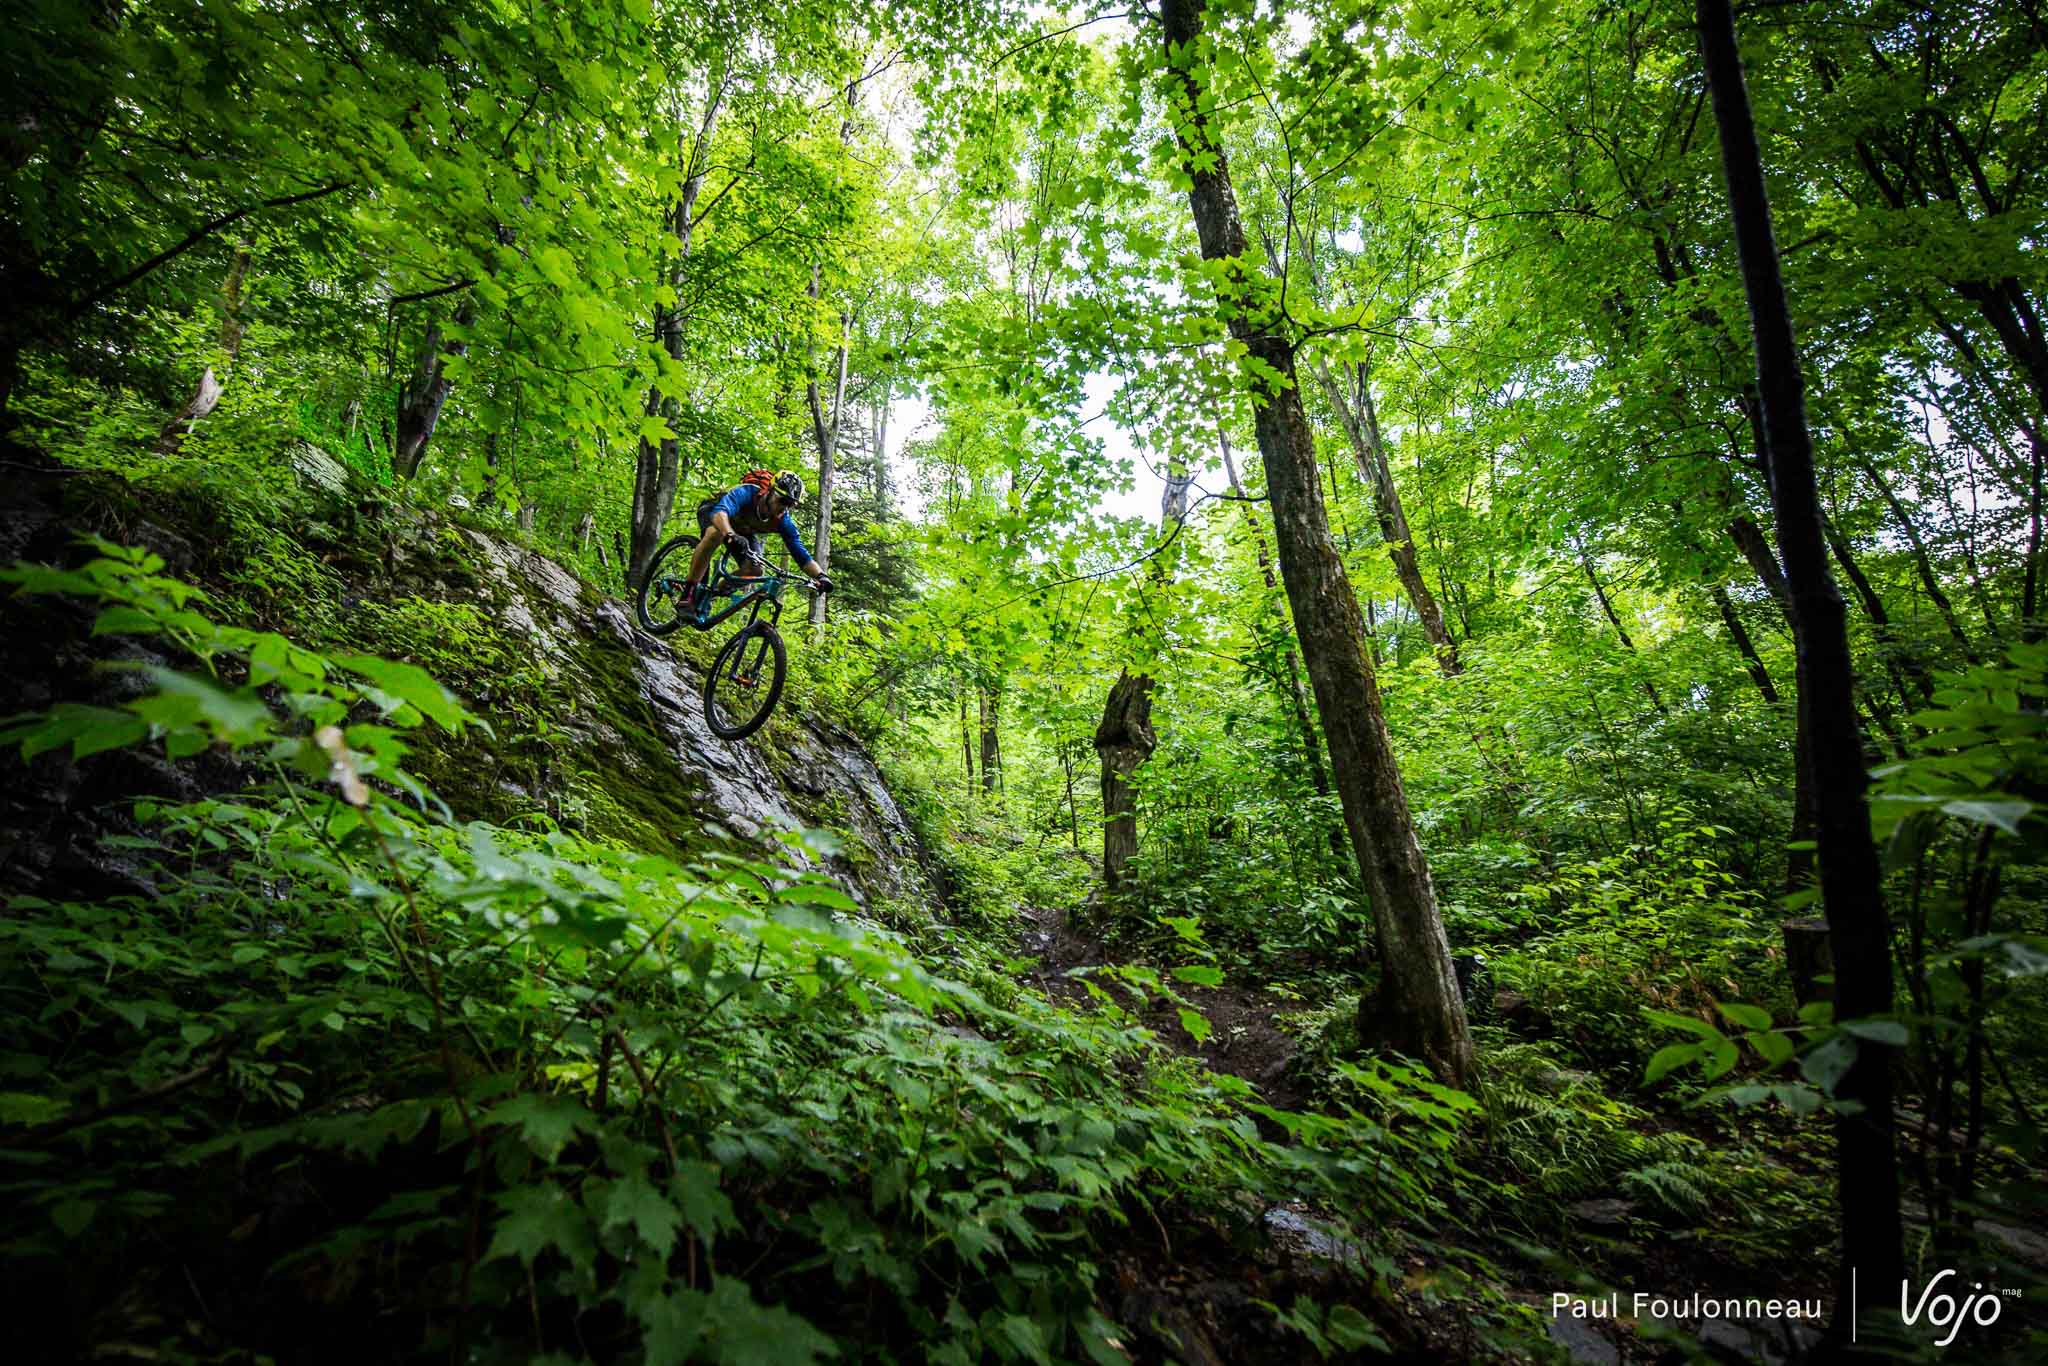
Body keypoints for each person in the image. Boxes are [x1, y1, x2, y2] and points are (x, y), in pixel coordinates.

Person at [681, 469, 832, 620]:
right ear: (770, 491)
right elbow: (719, 513)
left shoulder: (783, 521)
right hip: (715, 510)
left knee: (755, 569)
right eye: (783, 501)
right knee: (715, 534)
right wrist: (730, 534)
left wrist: (821, 576)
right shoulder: (748, 493)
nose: (784, 508)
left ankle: (711, 593)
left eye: (790, 505)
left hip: (741, 528)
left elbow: (802, 556)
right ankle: (688, 594)